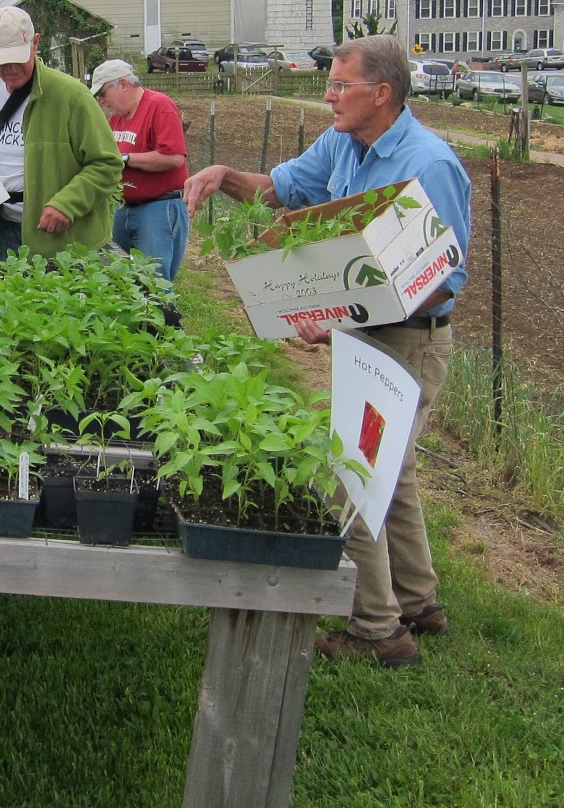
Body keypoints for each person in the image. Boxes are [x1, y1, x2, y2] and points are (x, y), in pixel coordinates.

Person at [182, 34, 471, 668]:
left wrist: (344, 313)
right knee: (391, 470)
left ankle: (378, 629)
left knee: (355, 470)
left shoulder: (429, 164)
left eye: (340, 85)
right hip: (365, 333)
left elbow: (442, 282)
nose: (328, 95)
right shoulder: (344, 143)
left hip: (409, 341)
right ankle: (419, 601)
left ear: (382, 93)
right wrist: (222, 175)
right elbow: (279, 190)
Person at [0, 5, 122, 257]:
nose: (10, 68)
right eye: (2, 61)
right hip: (2, 226)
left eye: (17, 58)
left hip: (62, 239)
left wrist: (66, 205)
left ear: (35, 43)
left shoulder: (71, 97)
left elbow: (107, 165)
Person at [89, 59, 189, 285]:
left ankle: (163, 321)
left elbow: (173, 157)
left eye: (103, 94)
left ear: (123, 84)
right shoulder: (117, 118)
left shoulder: (159, 106)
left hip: (158, 208)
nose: (102, 102)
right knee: (118, 277)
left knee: (154, 283)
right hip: (125, 208)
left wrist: (125, 159)